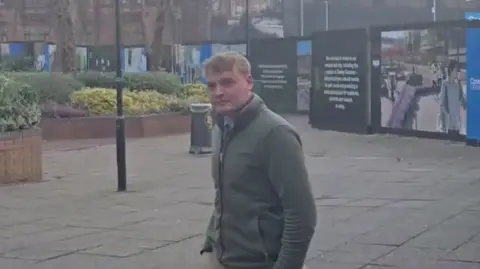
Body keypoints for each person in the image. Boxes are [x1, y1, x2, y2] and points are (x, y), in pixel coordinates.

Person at [200, 51, 317, 269]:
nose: (218, 92)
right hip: (222, 256)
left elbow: (302, 216)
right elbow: (225, 193)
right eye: (212, 85)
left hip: (259, 262)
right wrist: (211, 239)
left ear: (249, 82)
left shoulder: (275, 133)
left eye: (227, 83)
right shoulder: (222, 126)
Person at [437, 60, 466, 134]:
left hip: (456, 122)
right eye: (456, 69)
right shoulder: (445, 84)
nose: (457, 72)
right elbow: (442, 103)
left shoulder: (458, 85)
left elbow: (463, 102)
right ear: (451, 70)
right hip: (447, 123)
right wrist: (441, 122)